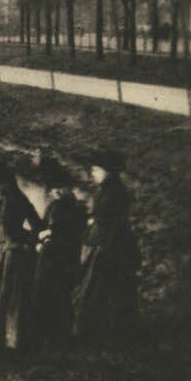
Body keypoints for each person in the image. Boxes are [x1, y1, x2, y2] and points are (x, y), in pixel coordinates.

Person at [0, 159, 44, 358]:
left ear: (3, 181)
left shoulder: (12, 198)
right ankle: (2, 344)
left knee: (3, 301)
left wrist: (21, 240)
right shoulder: (9, 197)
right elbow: (35, 225)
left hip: (7, 255)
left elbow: (31, 226)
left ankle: (1, 346)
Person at [73, 149, 140, 347]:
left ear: (108, 171)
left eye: (96, 169)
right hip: (106, 244)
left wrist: (100, 244)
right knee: (106, 290)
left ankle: (105, 336)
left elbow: (113, 224)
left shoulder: (114, 193)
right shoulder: (108, 190)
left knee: (102, 289)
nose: (92, 173)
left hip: (111, 247)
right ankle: (107, 334)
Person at [32, 154, 88, 349]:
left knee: (50, 292)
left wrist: (45, 237)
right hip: (63, 255)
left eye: (54, 190)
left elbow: (60, 231)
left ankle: (54, 336)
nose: (52, 192)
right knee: (60, 294)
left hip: (56, 256)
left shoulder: (60, 207)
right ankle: (58, 335)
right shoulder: (71, 206)